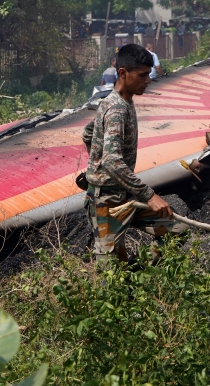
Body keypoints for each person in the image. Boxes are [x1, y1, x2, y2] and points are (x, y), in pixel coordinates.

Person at [82, 44, 186, 262]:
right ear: (123, 73)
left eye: (149, 74)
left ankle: (137, 273)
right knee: (109, 273)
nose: (148, 80)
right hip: (107, 201)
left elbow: (88, 133)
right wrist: (150, 195)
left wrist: (95, 162)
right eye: (142, 75)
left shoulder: (118, 102)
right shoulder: (116, 109)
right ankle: (126, 280)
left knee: (176, 229)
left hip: (125, 194)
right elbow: (112, 160)